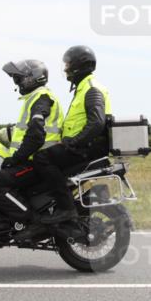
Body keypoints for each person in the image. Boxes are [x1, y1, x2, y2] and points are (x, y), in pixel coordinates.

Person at [34, 45, 111, 224]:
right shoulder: (83, 88)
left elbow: (96, 123)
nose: (66, 69)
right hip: (83, 146)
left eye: (68, 65)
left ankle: (66, 208)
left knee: (41, 158)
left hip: (87, 147)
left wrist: (74, 143)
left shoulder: (91, 89)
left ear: (79, 66)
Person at [0, 59, 61, 229]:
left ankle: (31, 221)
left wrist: (16, 158)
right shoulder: (34, 99)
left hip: (36, 161)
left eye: (19, 78)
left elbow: (36, 136)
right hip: (35, 159)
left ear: (32, 78)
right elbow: (20, 131)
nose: (17, 82)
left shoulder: (41, 98)